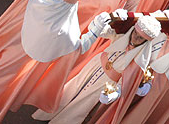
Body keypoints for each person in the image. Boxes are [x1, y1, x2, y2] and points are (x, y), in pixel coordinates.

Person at [32, 14, 161, 123]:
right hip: (94, 66)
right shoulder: (122, 35)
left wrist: (113, 94)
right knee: (71, 89)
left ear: (146, 42)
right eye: (136, 33)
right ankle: (47, 112)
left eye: (141, 38)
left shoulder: (141, 61)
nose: (135, 38)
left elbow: (125, 83)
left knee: (82, 105)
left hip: (105, 82)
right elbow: (102, 32)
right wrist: (103, 20)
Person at [114, 16, 169, 123]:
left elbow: (162, 81)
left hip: (146, 89)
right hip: (130, 75)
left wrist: (147, 86)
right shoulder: (159, 36)